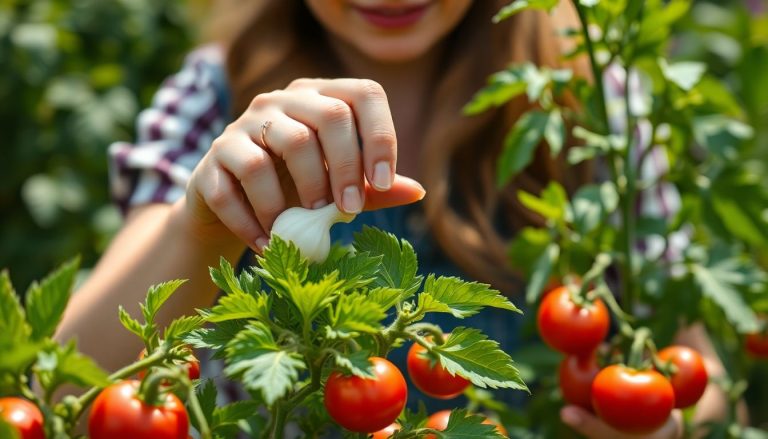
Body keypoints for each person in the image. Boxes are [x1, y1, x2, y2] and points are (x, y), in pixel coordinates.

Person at [56, 1, 731, 437]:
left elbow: (701, 375)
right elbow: (60, 387)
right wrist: (200, 228)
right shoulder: (216, 96)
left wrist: (666, 426)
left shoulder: (594, 104)